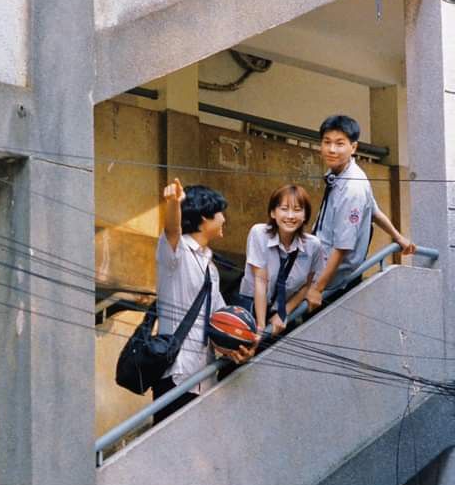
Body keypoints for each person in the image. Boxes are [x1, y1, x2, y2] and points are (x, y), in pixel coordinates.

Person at [153, 178, 255, 424]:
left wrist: (238, 347)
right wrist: (174, 204)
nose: (224, 219)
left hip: (204, 377)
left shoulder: (210, 267)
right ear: (203, 218)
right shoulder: (177, 255)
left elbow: (220, 318)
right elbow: (171, 231)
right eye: (219, 213)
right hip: (177, 374)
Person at [306, 114, 415, 309]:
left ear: (353, 147)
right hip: (319, 265)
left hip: (332, 280)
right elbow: (374, 211)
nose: (331, 149)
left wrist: (318, 288)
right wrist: (398, 237)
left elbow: (342, 247)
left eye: (340, 144)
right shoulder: (339, 174)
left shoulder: (352, 187)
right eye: (326, 142)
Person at [236, 184, 325, 336]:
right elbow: (260, 281)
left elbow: (306, 285)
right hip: (251, 306)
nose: (290, 216)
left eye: (297, 210)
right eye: (284, 209)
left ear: (305, 216)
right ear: (273, 212)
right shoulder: (259, 234)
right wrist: (261, 326)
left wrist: (284, 313)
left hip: (282, 309)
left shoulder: (313, 246)